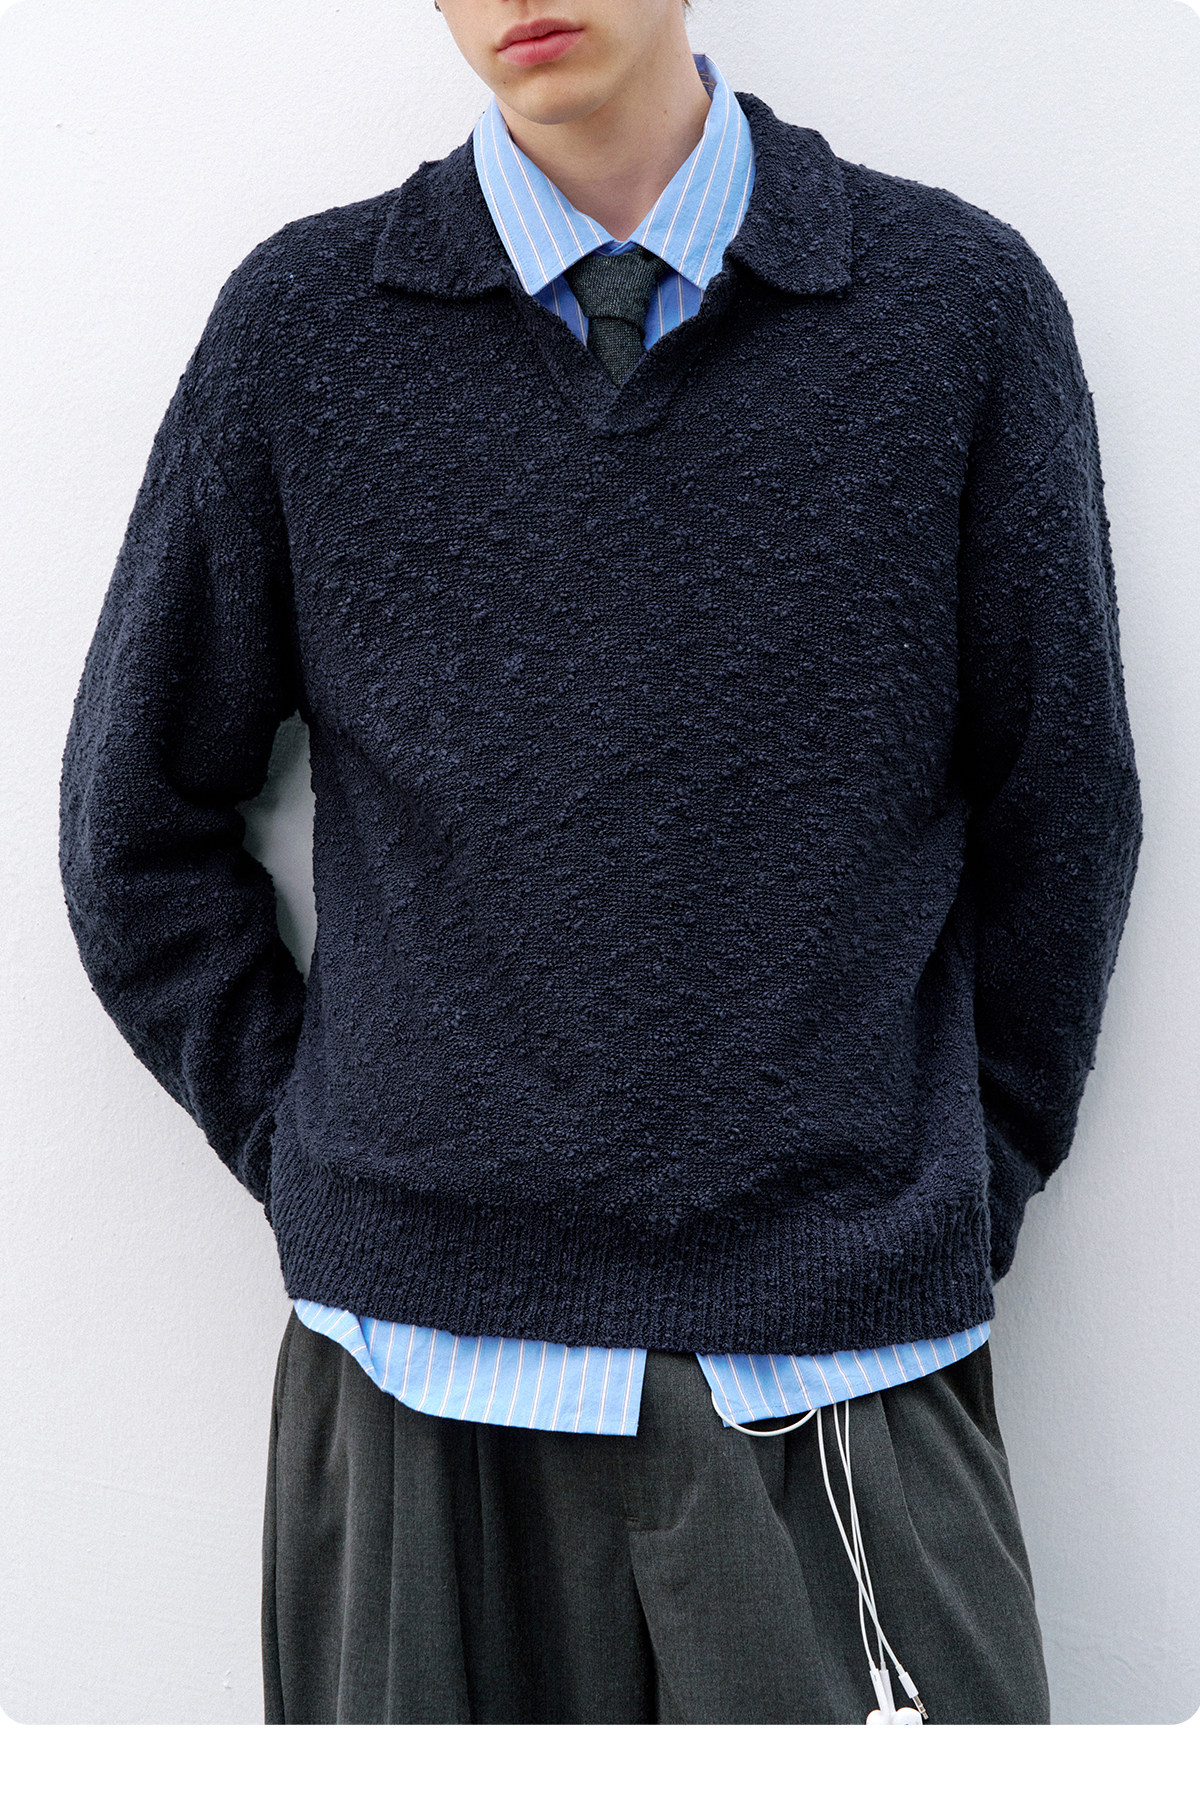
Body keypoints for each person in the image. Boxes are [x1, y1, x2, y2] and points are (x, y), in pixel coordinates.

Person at [57, 0, 1142, 1725]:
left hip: (836, 1380)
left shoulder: (956, 313)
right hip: (413, 1398)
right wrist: (336, 1162)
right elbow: (134, 831)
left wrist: (945, 1191)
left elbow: (1064, 813)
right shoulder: (304, 331)